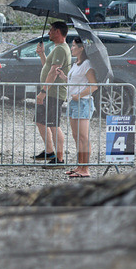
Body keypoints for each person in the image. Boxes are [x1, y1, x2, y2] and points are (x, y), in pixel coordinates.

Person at [53, 37, 98, 178]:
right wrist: (64, 77)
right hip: (73, 102)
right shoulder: (76, 64)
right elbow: (74, 81)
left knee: (83, 136)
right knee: (76, 136)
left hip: (82, 102)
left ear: (81, 48)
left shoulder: (87, 64)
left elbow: (94, 85)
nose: (71, 48)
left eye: (73, 46)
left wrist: (79, 94)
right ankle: (80, 166)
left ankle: (85, 168)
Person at [33, 21, 71, 165]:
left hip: (54, 93)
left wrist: (43, 91)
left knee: (53, 124)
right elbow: (47, 68)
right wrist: (42, 54)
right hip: (50, 92)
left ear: (57, 32)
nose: (48, 33)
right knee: (40, 121)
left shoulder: (61, 49)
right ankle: (49, 152)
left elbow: (54, 72)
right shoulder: (57, 48)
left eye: (50, 30)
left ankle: (59, 158)